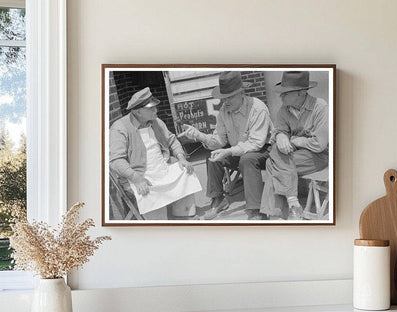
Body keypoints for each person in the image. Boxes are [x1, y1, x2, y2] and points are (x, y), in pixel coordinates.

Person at [178, 71, 272, 220]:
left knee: (247, 159)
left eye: (230, 97)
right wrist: (198, 135)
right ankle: (218, 199)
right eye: (223, 98)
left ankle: (256, 210)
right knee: (213, 156)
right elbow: (219, 141)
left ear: (242, 93)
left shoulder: (257, 108)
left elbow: (256, 143)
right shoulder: (223, 111)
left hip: (263, 151)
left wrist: (228, 151)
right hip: (239, 151)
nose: (226, 101)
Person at [109, 87, 202, 220]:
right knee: (147, 193)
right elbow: (116, 161)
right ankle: (159, 223)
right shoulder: (120, 128)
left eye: (155, 107)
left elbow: (172, 140)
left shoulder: (156, 122)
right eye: (151, 108)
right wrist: (136, 178)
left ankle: (183, 215)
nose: (156, 110)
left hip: (162, 167)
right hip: (139, 174)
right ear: (138, 112)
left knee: (186, 170)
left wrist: (181, 158)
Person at [262, 71, 329, 220]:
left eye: (285, 93)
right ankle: (290, 208)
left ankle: (280, 211)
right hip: (295, 155)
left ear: (301, 92)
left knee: (271, 163)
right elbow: (279, 130)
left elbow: (320, 144)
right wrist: (280, 135)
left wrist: (296, 140)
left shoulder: (320, 107)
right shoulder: (283, 111)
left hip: (320, 156)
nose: (281, 96)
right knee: (274, 155)